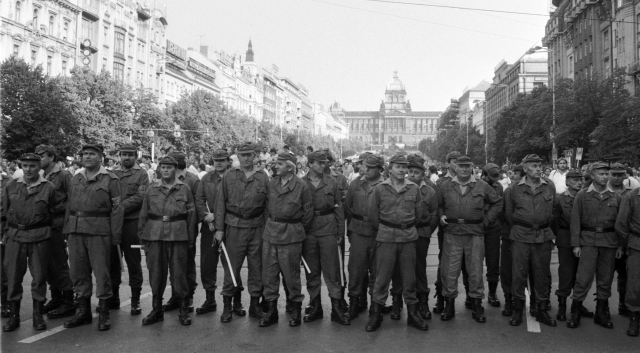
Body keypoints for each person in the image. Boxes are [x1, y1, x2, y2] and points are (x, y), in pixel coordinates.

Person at [63, 144, 123, 331]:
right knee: (78, 272)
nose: (87, 157)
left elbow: (117, 210)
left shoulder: (110, 179)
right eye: (85, 154)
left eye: (92, 154)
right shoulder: (76, 178)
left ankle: (104, 313)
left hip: (99, 231)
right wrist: (67, 230)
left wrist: (116, 235)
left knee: (101, 272)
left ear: (101, 157)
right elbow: (69, 206)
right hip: (76, 230)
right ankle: (83, 312)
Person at [365, 153, 428, 332]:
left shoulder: (413, 189)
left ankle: (413, 315)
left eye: (404, 167)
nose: (402, 170)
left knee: (409, 278)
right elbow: (372, 214)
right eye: (398, 167)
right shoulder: (379, 188)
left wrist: (404, 226)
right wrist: (388, 227)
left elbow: (418, 214)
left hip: (408, 237)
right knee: (382, 278)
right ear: (389, 169)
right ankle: (375, 315)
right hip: (386, 237)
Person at [437, 156, 502, 323]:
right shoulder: (446, 186)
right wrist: (441, 215)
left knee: (475, 271)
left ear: (472, 167)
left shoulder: (482, 185)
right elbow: (439, 204)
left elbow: (497, 203)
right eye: (461, 166)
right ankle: (449, 305)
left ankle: (477, 304)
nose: (464, 169)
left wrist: (486, 221)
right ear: (455, 167)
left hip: (475, 233)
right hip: (452, 233)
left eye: (467, 166)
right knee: (450, 271)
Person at [214, 143, 271, 322]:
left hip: (257, 228)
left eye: (249, 155)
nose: (246, 158)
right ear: (237, 156)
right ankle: (227, 307)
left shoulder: (263, 177)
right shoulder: (229, 176)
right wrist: (219, 229)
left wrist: (268, 230)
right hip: (234, 227)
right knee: (232, 268)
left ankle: (255, 305)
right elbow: (220, 203)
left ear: (254, 155)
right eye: (242, 155)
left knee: (257, 268)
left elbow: (268, 206)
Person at [138, 156, 197, 326]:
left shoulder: (184, 189)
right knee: (156, 273)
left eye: (169, 167)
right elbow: (143, 214)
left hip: (178, 235)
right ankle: (156, 310)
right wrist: (142, 238)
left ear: (175, 169)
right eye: (162, 167)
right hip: (154, 234)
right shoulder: (151, 189)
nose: (165, 170)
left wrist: (190, 239)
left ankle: (183, 309)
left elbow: (191, 216)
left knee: (179, 273)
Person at [1, 153, 56, 332]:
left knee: (39, 277)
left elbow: (53, 212)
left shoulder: (49, 187)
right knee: (13, 277)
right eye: (24, 165)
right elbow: (3, 212)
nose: (28, 169)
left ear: (39, 167)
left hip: (39, 237)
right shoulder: (11, 185)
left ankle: (38, 314)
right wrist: (4, 234)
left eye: (32, 165)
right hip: (15, 237)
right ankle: (14, 315)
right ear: (21, 166)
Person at [259, 152, 313, 327]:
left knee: (291, 275)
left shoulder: (302, 186)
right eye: (276, 163)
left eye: (280, 164)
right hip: (271, 233)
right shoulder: (272, 183)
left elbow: (308, 213)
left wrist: (295, 228)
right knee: (269, 274)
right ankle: (272, 311)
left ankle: (296, 310)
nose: (276, 166)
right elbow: (266, 208)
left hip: (291, 234)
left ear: (290, 167)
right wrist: (273, 222)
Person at [567, 162, 622, 329]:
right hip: (588, 241)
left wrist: (620, 245)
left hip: (609, 241)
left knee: (605, 279)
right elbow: (575, 221)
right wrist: (576, 244)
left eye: (607, 173)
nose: (605, 176)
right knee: (583, 278)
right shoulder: (582, 195)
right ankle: (575, 312)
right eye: (601, 173)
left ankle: (601, 312)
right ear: (592, 176)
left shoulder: (616, 196)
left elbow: (620, 223)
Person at [504, 154, 557, 327]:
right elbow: (509, 214)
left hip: (542, 236)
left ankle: (541, 309)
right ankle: (517, 309)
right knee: (519, 274)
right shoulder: (513, 189)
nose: (538, 169)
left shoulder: (549, 185)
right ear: (525, 169)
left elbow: (553, 211)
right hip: (521, 235)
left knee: (541, 274)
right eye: (534, 166)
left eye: (539, 165)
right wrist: (524, 226)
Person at [300, 151, 348, 325]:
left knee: (332, 271)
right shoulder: (301, 183)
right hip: (308, 231)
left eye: (325, 163)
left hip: (328, 229)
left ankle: (336, 308)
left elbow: (339, 208)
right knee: (311, 271)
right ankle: (315, 306)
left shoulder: (332, 182)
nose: (323, 165)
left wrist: (340, 233)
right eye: (319, 163)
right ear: (310, 163)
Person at [33, 145, 76, 320]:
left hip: (58, 225)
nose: (38, 159)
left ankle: (68, 301)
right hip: (43, 226)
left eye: (41, 156)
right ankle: (56, 297)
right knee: (46, 265)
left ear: (51, 157)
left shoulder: (64, 175)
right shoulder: (39, 175)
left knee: (59, 264)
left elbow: (74, 200)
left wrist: (53, 209)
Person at [107, 143, 148, 316]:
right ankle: (114, 297)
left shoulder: (142, 174)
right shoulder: (111, 173)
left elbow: (141, 196)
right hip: (113, 224)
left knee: (133, 262)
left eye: (130, 155)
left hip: (131, 224)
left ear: (136, 156)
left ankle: (135, 299)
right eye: (124, 154)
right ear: (119, 155)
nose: (127, 158)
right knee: (113, 261)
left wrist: (120, 207)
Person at [344, 154, 385, 320]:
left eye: (370, 168)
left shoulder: (386, 185)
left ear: (380, 169)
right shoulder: (355, 183)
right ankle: (354, 304)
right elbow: (348, 207)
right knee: (355, 270)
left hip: (379, 234)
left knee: (377, 272)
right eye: (364, 167)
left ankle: (376, 309)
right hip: (359, 232)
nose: (365, 170)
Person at [552, 170, 595, 322]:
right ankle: (562, 305)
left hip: (585, 238)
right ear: (567, 182)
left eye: (580, 180)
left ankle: (578, 304)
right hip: (566, 238)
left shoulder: (587, 197)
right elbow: (555, 221)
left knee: (582, 274)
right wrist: (558, 237)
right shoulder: (559, 199)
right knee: (566, 272)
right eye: (575, 180)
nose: (579, 182)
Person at [163, 152, 200, 313]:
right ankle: (175, 295)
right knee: (173, 264)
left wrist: (191, 229)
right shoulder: (164, 178)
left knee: (187, 264)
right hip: (169, 229)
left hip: (186, 228)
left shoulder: (192, 180)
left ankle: (188, 296)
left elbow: (197, 207)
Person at [193, 150, 227, 316]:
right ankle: (210, 299)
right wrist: (208, 218)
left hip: (230, 225)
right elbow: (199, 199)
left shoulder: (234, 177)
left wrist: (219, 216)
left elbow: (238, 202)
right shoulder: (206, 178)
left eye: (222, 160)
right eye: (216, 160)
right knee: (207, 263)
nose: (219, 163)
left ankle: (234, 302)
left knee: (231, 264)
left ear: (228, 161)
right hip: (209, 226)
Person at [407, 154, 438, 320]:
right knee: (403, 270)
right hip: (404, 234)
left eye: (416, 172)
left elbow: (435, 213)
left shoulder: (430, 191)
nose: (412, 175)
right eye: (410, 171)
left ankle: (423, 302)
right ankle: (400, 303)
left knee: (419, 269)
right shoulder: (401, 187)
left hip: (421, 234)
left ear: (423, 174)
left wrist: (428, 229)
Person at [433, 150, 461, 314]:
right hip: (447, 229)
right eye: (455, 161)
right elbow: (438, 204)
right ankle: (441, 297)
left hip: (466, 229)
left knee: (465, 264)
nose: (458, 165)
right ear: (448, 163)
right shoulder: (441, 182)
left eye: (461, 162)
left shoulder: (471, 180)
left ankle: (472, 298)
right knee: (444, 263)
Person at [615, 177, 640, 336]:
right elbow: (621, 224)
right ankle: (634, 317)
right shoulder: (631, 197)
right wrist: (626, 244)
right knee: (635, 283)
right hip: (637, 245)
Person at [609, 163, 635, 317]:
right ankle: (603, 305)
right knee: (605, 275)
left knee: (625, 275)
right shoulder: (601, 191)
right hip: (608, 238)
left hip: (626, 240)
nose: (617, 177)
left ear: (625, 175)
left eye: (620, 174)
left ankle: (623, 303)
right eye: (614, 174)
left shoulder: (631, 194)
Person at [499, 164, 524, 317]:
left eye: (516, 173)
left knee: (524, 270)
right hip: (510, 234)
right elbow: (504, 213)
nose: (513, 176)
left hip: (526, 236)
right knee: (507, 270)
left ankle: (528, 301)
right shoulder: (508, 190)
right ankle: (509, 300)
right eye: (513, 173)